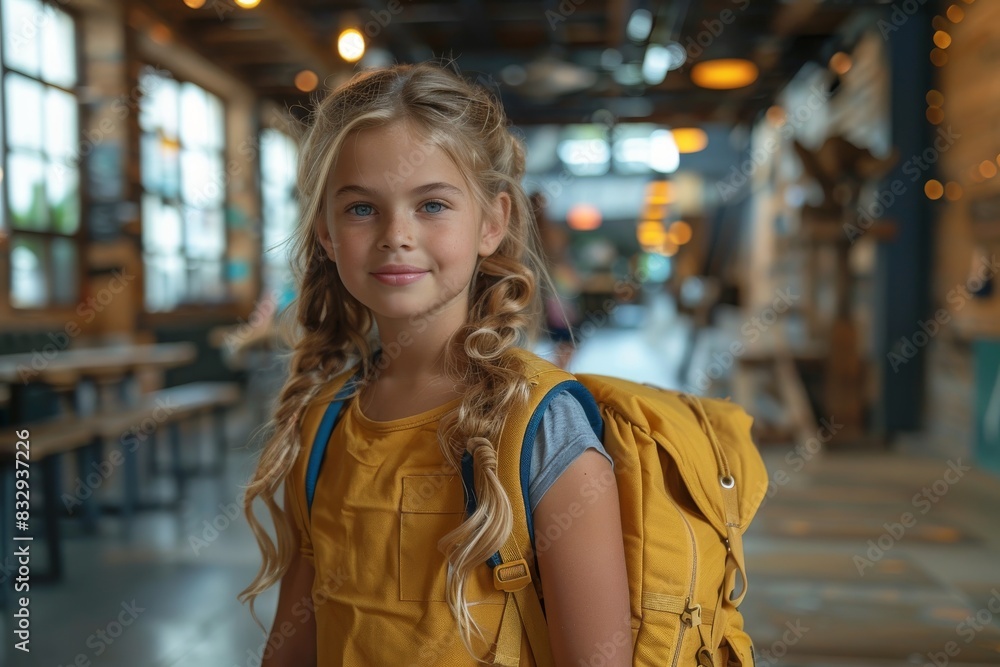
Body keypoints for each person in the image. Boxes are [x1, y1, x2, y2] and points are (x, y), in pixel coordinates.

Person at [239, 62, 631, 666]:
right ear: (324, 231)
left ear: (492, 222)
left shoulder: (541, 430)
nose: (397, 234)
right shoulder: (322, 424)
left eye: (432, 205)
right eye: (362, 209)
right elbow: (294, 643)